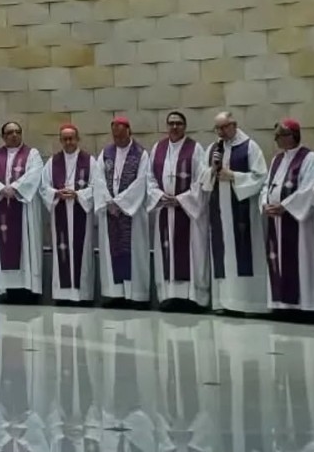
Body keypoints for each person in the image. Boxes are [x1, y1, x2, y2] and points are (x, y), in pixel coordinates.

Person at [200, 110, 267, 316]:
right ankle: (225, 302)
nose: (220, 132)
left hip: (241, 213)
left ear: (234, 125)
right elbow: (202, 176)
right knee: (223, 255)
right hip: (219, 211)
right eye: (217, 128)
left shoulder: (250, 147)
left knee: (243, 254)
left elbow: (260, 177)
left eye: (224, 127)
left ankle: (246, 303)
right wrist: (212, 171)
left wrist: (234, 176)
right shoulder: (213, 148)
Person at [145, 111, 210, 313]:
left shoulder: (195, 148)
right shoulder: (158, 148)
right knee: (167, 252)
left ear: (184, 126)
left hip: (187, 214)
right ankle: (169, 296)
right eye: (171, 123)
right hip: (165, 210)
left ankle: (193, 298)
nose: (174, 127)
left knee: (191, 253)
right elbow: (149, 179)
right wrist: (160, 196)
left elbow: (201, 181)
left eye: (179, 123)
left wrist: (181, 200)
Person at [259, 118, 314, 320]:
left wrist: (285, 207)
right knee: (276, 260)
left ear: (292, 136)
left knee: (300, 261)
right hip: (275, 221)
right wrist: (265, 204)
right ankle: (280, 305)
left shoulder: (310, 158)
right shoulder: (277, 160)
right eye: (276, 136)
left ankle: (303, 308)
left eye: (279, 136)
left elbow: (309, 189)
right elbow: (266, 186)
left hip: (298, 223)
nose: (276, 140)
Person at [93, 115, 151, 308]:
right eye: (114, 135)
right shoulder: (106, 153)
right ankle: (114, 294)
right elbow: (98, 179)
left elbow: (142, 181)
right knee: (111, 253)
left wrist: (120, 203)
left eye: (121, 134)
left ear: (129, 131)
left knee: (134, 252)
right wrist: (109, 203)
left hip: (131, 215)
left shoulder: (140, 154)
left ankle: (136, 296)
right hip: (110, 212)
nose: (118, 139)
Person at [0, 121, 43, 303]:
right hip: (1, 205)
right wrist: (1, 189)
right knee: (3, 248)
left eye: (17, 131)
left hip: (23, 209)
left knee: (25, 247)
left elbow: (34, 174)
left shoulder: (32, 154)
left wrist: (15, 188)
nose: (14, 135)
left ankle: (27, 291)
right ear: (3, 137)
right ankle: (6, 290)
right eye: (9, 132)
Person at [39, 124, 96, 305]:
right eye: (65, 139)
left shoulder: (89, 161)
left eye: (72, 138)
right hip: (61, 212)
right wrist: (56, 193)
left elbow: (96, 186)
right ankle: (62, 295)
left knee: (83, 252)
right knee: (61, 251)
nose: (69, 142)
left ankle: (83, 295)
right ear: (60, 140)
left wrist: (78, 194)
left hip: (80, 212)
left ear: (78, 139)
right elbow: (43, 186)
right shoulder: (52, 162)